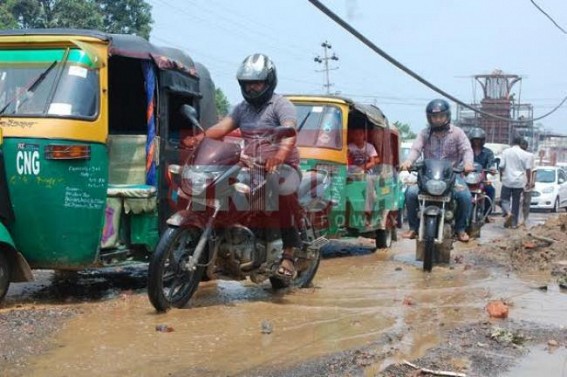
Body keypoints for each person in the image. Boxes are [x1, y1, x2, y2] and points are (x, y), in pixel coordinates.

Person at [183, 53, 301, 279]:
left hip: (282, 166)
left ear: (268, 82)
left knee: (282, 191)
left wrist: (279, 155)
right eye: (247, 83)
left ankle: (289, 254)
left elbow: (289, 131)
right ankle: (230, 245)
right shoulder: (241, 109)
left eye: (256, 83)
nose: (252, 88)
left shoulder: (280, 105)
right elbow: (222, 128)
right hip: (251, 165)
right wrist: (199, 139)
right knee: (222, 189)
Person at [399, 99, 474, 242]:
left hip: (450, 176)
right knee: (410, 193)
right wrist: (409, 161)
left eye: (441, 116)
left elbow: (466, 150)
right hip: (427, 176)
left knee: (465, 196)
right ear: (429, 118)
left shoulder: (457, 133)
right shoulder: (424, 134)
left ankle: (460, 229)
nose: (438, 119)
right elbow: (416, 149)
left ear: (447, 116)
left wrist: (468, 164)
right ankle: (413, 228)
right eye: (434, 117)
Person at [499, 136, 533, 229]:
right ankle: (514, 224)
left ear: (512, 142)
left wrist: (500, 176)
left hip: (507, 180)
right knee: (516, 202)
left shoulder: (506, 152)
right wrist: (528, 181)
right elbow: (528, 170)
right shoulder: (526, 154)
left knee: (504, 199)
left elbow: (501, 166)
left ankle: (508, 213)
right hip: (519, 181)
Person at [347, 128, 379, 224]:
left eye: (360, 134)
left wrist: (362, 168)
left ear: (363, 135)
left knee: (369, 181)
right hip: (353, 172)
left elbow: (373, 162)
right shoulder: (349, 147)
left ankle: (367, 210)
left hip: (367, 172)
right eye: (355, 134)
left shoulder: (369, 147)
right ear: (352, 136)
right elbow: (346, 159)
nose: (358, 137)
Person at [468, 127, 496, 222]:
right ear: (471, 140)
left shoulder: (488, 152)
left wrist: (492, 169)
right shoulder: (466, 151)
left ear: (483, 140)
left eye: (479, 140)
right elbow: (460, 162)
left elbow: (491, 164)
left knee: (491, 190)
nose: (477, 142)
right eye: (475, 139)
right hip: (467, 179)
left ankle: (486, 214)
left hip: (481, 179)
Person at [519, 138, 535, 227]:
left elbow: (533, 170)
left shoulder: (530, 156)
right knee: (519, 201)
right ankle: (519, 220)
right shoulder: (517, 155)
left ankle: (525, 219)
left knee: (526, 202)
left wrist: (532, 181)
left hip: (527, 182)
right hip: (519, 181)